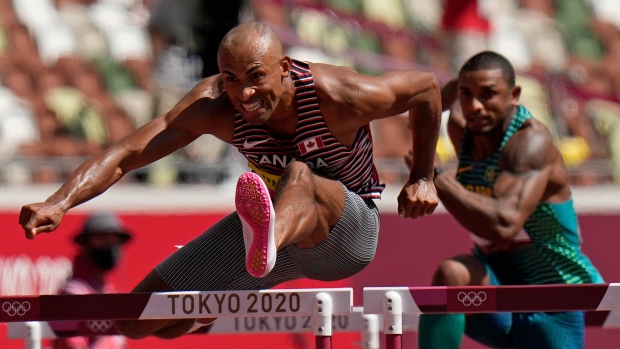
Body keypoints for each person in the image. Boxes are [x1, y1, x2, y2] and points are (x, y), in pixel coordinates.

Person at [19, 21, 442, 340]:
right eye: (231, 79)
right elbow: (126, 153)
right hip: (275, 242)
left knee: (300, 173)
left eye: (256, 76)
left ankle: (265, 241)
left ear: (283, 67)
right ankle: (211, 306)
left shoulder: (339, 94)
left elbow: (424, 88)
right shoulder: (214, 105)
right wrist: (59, 201)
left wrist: (422, 176)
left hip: (349, 236)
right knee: (139, 318)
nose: (244, 95)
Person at [413, 51, 604, 349]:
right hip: (499, 282)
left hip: (552, 290)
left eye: (488, 94)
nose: (475, 106)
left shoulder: (531, 144)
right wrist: (425, 166)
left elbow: (503, 225)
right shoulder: (465, 133)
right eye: (467, 94)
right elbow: (434, 98)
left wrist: (433, 177)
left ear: (514, 95)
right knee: (452, 273)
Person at [53, 211, 132, 349]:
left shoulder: (106, 288)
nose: (110, 246)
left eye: (114, 240)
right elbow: (72, 345)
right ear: (85, 244)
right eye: (102, 238)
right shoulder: (74, 293)